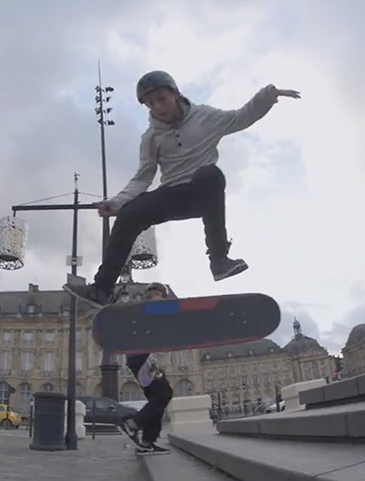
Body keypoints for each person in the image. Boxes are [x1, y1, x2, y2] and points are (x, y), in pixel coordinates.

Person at [65, 70, 301, 307]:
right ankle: (101, 289)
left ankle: (219, 260)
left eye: (161, 99)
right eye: (150, 104)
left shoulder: (206, 117)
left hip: (202, 192)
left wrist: (269, 96)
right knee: (130, 214)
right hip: (172, 195)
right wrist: (117, 203)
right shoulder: (151, 138)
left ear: (175, 94)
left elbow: (241, 117)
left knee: (211, 174)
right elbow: (142, 178)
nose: (158, 107)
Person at [116, 282, 174, 455]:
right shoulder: (145, 308)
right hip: (142, 357)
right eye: (155, 294)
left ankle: (147, 442)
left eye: (160, 294)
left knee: (158, 398)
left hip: (145, 358)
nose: (157, 297)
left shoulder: (151, 314)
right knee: (164, 394)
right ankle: (132, 424)